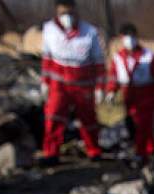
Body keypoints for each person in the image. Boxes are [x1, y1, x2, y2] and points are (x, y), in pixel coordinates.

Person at [39, 0, 105, 166]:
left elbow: (99, 63)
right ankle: (51, 152)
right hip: (59, 84)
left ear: (77, 12)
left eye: (70, 13)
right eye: (63, 13)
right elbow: (46, 59)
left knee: (88, 119)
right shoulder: (49, 30)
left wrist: (100, 88)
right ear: (57, 13)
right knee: (53, 117)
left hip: (83, 84)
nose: (67, 17)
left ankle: (94, 150)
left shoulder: (90, 32)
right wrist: (45, 82)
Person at [104, 23, 154, 164]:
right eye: (126, 37)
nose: (130, 40)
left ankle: (141, 154)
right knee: (137, 126)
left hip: (146, 95)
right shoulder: (118, 58)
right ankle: (151, 150)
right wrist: (110, 91)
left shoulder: (148, 56)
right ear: (121, 38)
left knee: (142, 125)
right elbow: (113, 76)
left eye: (132, 36)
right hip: (129, 96)